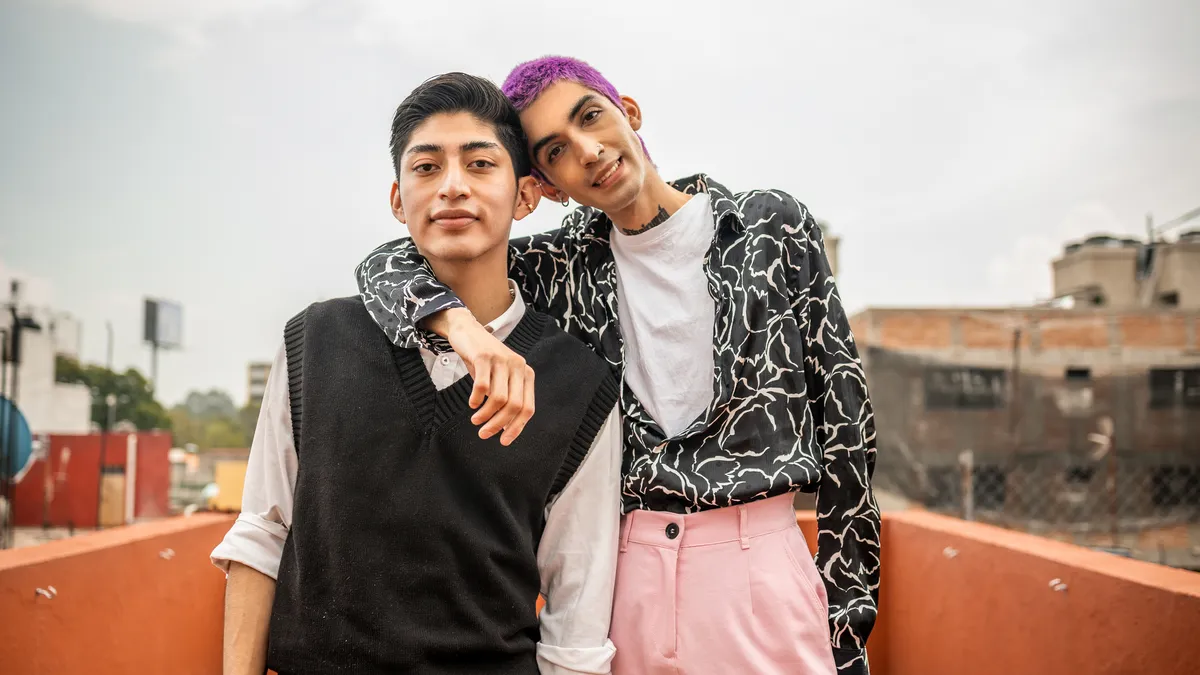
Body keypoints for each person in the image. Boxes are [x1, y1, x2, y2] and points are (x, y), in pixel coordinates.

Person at [356, 57, 880, 675]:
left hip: (759, 568)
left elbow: (849, 429)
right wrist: (463, 330)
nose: (588, 150)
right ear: (545, 186)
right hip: (621, 582)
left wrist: (848, 634)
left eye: (591, 118)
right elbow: (389, 261)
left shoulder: (770, 226)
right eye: (554, 151)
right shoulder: (562, 264)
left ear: (627, 112)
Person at [212, 72, 623, 675]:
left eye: (481, 165)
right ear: (399, 200)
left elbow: (576, 620)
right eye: (427, 168)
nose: (452, 187)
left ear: (526, 196)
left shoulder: (577, 383)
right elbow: (261, 534)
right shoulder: (316, 340)